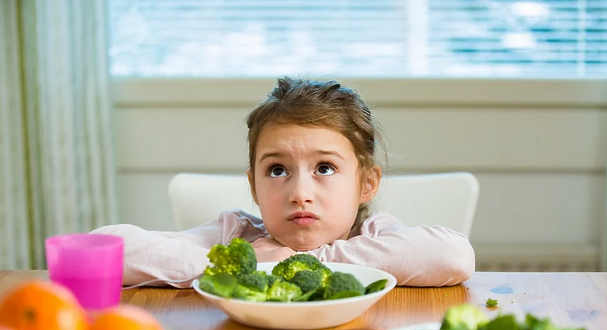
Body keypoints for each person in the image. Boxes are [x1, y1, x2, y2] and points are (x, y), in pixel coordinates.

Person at [92, 77, 475, 288]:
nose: (300, 193)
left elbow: (453, 256)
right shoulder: (236, 236)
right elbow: (103, 251)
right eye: (277, 170)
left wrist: (301, 264)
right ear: (254, 185)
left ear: (367, 184)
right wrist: (238, 266)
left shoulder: (373, 235)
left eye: (324, 168)